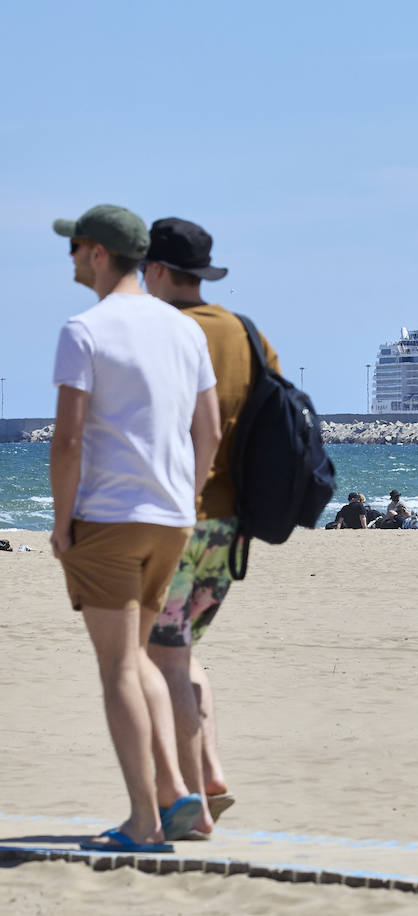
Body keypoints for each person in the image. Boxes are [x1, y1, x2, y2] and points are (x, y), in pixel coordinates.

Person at [50, 204, 222, 851]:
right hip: (172, 517)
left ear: (98, 254)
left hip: (109, 515)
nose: (69, 260)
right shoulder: (184, 331)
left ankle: (145, 820)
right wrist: (191, 491)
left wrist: (63, 522)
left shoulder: (84, 329)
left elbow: (68, 441)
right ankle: (184, 796)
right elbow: (208, 430)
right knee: (143, 654)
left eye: (75, 248)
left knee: (118, 667)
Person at [142, 218, 281, 837]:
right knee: (180, 651)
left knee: (156, 659)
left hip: (177, 517)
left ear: (158, 271)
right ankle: (213, 770)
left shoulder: (161, 332)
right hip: (232, 527)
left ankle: (190, 804)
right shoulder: (246, 334)